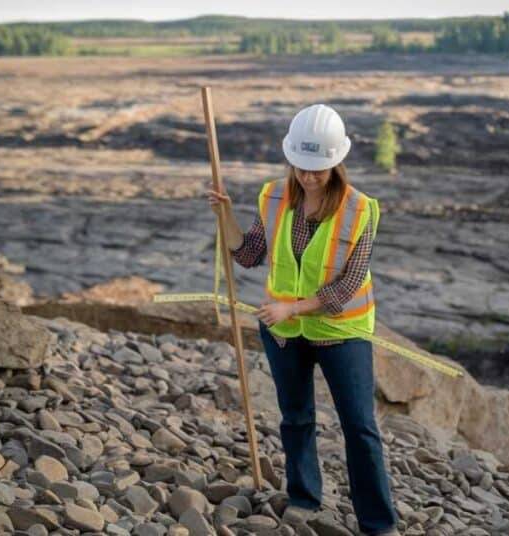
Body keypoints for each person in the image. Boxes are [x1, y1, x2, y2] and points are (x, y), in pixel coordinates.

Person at [205, 103, 399, 536]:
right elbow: (249, 254)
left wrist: (292, 307)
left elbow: (345, 287)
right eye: (301, 167)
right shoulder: (274, 196)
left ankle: (378, 523)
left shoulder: (361, 210)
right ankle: (303, 498)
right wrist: (226, 216)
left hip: (341, 332)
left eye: (318, 169)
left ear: (337, 162)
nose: (308, 176)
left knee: (360, 427)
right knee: (295, 418)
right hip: (284, 334)